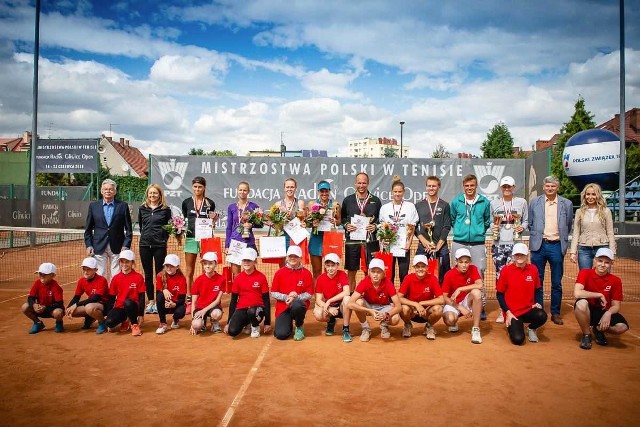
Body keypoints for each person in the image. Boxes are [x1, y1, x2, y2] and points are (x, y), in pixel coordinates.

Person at [528, 175, 573, 325]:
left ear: (557, 188)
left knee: (556, 282)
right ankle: (539, 310)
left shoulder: (566, 203)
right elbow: (531, 223)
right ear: (543, 187)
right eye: (548, 186)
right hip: (538, 246)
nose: (550, 188)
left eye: (553, 186)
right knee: (537, 281)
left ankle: (555, 312)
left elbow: (568, 224)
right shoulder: (535, 202)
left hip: (556, 245)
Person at [449, 174, 491, 320]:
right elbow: (453, 219)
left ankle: (481, 306)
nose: (469, 188)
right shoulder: (456, 201)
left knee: (479, 273)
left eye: (472, 185)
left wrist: (477, 232)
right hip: (459, 241)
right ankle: (457, 305)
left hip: (477, 243)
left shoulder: (484, 202)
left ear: (476, 185)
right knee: (457, 273)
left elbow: (487, 221)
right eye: (467, 186)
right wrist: (460, 231)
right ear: (463, 186)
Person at [490, 176, 529, 323]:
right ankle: (503, 311)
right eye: (504, 186)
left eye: (509, 186)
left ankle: (517, 309)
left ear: (514, 187)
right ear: (501, 187)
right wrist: (492, 227)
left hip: (516, 244)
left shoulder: (522, 202)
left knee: (515, 278)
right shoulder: (494, 203)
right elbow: (489, 221)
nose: (506, 189)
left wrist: (522, 227)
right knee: (500, 278)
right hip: (498, 244)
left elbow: (526, 220)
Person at [573, 248, 629, 350]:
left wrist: (608, 314)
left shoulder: (615, 280)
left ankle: (599, 329)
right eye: (600, 261)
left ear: (611, 263)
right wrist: (599, 295)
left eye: (607, 262)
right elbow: (577, 293)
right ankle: (586, 334)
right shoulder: (585, 273)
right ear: (595, 260)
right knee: (581, 304)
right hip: (588, 311)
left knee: (622, 327)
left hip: (604, 311)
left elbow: (616, 305)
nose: (603, 265)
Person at [496, 243, 547, 345]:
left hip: (528, 309)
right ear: (513, 256)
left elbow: (537, 289)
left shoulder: (533, 269)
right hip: (513, 313)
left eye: (522, 254)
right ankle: (515, 325)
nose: (519, 257)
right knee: (518, 339)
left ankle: (531, 328)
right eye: (517, 254)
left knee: (542, 315)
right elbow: (499, 294)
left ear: (527, 256)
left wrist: (537, 302)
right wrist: (507, 312)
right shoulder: (506, 270)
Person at [84, 178, 133, 282]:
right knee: (100, 274)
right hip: (98, 245)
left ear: (115, 191)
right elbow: (88, 229)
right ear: (101, 191)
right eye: (105, 189)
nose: (108, 191)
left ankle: (114, 297)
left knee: (115, 274)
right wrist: (89, 245)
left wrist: (126, 245)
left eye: (111, 189)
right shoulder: (93, 206)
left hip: (118, 246)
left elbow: (129, 229)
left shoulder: (123, 206)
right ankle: (101, 296)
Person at [341, 172, 382, 289]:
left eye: (364, 183)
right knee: (351, 271)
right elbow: (343, 218)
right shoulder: (348, 200)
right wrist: (346, 225)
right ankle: (350, 296)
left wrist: (375, 226)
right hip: (352, 241)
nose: (361, 185)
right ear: (355, 183)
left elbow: (381, 219)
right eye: (359, 183)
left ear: (368, 183)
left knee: (371, 270)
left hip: (370, 241)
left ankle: (370, 296)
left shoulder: (376, 201)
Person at [348, 258, 402, 342]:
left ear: (383, 273)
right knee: (359, 302)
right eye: (373, 271)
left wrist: (386, 314)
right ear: (369, 272)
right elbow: (350, 303)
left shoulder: (388, 283)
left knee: (395, 319)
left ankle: (384, 325)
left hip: (383, 307)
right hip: (368, 306)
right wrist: (369, 310)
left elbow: (399, 307)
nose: (375, 275)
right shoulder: (365, 281)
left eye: (378, 272)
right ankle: (366, 328)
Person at [182, 176, 219, 296]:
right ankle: (189, 296)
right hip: (191, 238)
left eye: (200, 187)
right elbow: (184, 219)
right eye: (195, 187)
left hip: (205, 239)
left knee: (207, 269)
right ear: (192, 187)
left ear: (204, 188)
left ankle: (205, 295)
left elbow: (211, 220)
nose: (197, 189)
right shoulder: (186, 202)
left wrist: (214, 221)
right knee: (189, 270)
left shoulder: (210, 203)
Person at [378, 177, 419, 285]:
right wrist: (383, 243)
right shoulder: (385, 208)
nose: (397, 194)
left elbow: (412, 227)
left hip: (403, 246)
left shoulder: (410, 207)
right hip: (389, 246)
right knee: (389, 274)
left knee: (403, 274)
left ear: (404, 192)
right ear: (391, 192)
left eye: (400, 191)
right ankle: (389, 298)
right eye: (395, 191)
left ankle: (403, 297)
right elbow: (382, 228)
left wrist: (409, 243)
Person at [138, 183, 172, 315]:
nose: (152, 195)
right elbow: (142, 226)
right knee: (147, 274)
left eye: (155, 193)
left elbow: (168, 228)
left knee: (159, 274)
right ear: (147, 194)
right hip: (144, 245)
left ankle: (159, 302)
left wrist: (162, 239)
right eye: (150, 193)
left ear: (160, 195)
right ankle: (151, 301)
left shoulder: (166, 209)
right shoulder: (142, 209)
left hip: (159, 246)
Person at [225, 248, 272, 338]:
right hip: (242, 308)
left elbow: (266, 300)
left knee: (252, 311)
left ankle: (255, 327)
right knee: (232, 332)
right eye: (244, 260)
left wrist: (267, 322)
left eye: (249, 260)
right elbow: (233, 301)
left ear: (255, 261)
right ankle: (247, 323)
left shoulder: (261, 277)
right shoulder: (238, 278)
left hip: (257, 309)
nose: (246, 262)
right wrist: (228, 322)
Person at [569, 183, 616, 271]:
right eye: (588, 194)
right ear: (584, 195)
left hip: (603, 247)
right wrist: (573, 252)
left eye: (593, 194)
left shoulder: (606, 211)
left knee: (604, 277)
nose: (590, 197)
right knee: (585, 277)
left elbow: (610, 232)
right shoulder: (579, 212)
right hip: (584, 249)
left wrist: (612, 252)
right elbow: (576, 233)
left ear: (598, 195)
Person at [271, 246, 313, 340]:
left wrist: (296, 298)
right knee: (281, 335)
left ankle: (299, 326)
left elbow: (309, 293)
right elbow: (273, 292)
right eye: (290, 256)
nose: (292, 258)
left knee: (297, 305)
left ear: (300, 258)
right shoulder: (279, 273)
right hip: (283, 306)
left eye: (295, 256)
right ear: (286, 258)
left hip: (298, 305)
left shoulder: (306, 273)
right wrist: (286, 297)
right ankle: (287, 325)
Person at [441, 248, 483, 344]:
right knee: (450, 320)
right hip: (453, 303)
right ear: (456, 262)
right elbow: (444, 297)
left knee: (477, 293)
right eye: (461, 262)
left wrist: (460, 289)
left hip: (466, 300)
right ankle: (454, 321)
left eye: (466, 262)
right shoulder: (449, 275)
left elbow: (480, 285)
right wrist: (460, 307)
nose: (464, 265)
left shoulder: (473, 269)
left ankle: (476, 329)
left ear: (470, 262)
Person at [398, 254, 444, 340]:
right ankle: (407, 324)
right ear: (414, 268)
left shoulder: (433, 278)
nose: (420, 269)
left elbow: (441, 299)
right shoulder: (408, 278)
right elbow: (399, 298)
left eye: (423, 266)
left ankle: (429, 326)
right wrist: (415, 304)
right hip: (412, 312)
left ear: (427, 267)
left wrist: (422, 303)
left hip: (426, 312)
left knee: (438, 309)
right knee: (403, 308)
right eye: (417, 267)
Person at [415, 175, 451, 284]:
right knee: (419, 273)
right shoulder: (418, 205)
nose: (431, 188)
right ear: (426, 187)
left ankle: (443, 299)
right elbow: (414, 227)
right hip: (423, 247)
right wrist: (425, 242)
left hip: (441, 247)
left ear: (438, 187)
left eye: (434, 186)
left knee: (444, 276)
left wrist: (437, 246)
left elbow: (446, 227)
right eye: (429, 186)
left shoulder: (445, 205)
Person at [225, 181, 262, 278]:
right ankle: (237, 292)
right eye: (240, 190)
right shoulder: (231, 207)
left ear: (248, 191)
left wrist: (251, 225)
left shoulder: (253, 206)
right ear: (237, 191)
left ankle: (250, 292)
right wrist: (227, 245)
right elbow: (229, 227)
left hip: (248, 241)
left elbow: (261, 224)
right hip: (235, 242)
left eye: (245, 190)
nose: (242, 192)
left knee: (251, 269)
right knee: (236, 273)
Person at [312, 253, 352, 343]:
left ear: (337, 265)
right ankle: (331, 321)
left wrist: (330, 300)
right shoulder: (320, 278)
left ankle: (346, 329)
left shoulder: (342, 274)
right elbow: (318, 299)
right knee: (318, 314)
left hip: (341, 306)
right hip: (329, 306)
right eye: (328, 265)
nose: (330, 268)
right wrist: (329, 308)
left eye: (333, 265)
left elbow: (347, 292)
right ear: (325, 266)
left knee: (347, 299)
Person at [105, 250, 145, 336]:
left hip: (133, 306)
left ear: (132, 263)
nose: (124, 264)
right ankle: (125, 320)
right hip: (120, 307)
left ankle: (134, 325)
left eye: (127, 262)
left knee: (128, 302)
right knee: (109, 322)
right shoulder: (115, 278)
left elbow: (142, 297)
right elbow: (111, 298)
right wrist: (108, 315)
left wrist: (141, 314)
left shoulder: (138, 277)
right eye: (122, 262)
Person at [64, 257, 109, 334]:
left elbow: (95, 298)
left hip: (104, 305)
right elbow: (76, 297)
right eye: (84, 269)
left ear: (95, 270)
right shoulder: (81, 281)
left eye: (88, 269)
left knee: (89, 307)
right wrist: (69, 308)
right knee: (71, 310)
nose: (85, 272)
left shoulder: (102, 280)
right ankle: (91, 317)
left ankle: (102, 323)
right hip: (91, 304)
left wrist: (76, 304)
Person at [307, 180, 341, 281]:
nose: (324, 193)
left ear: (329, 191)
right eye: (322, 191)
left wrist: (334, 220)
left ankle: (329, 295)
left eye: (326, 191)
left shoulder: (335, 204)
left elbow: (339, 221)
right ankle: (317, 296)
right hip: (316, 239)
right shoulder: (312, 204)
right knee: (316, 270)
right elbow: (307, 222)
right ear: (318, 192)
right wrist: (313, 222)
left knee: (330, 270)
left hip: (329, 239)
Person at [21, 262, 64, 334]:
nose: (42, 276)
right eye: (40, 274)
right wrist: (34, 305)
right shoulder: (37, 283)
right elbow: (30, 298)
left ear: (52, 275)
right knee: (25, 307)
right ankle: (38, 323)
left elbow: (59, 303)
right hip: (39, 309)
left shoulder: (56, 287)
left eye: (45, 274)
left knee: (58, 313)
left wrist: (45, 307)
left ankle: (59, 322)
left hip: (51, 310)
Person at [274, 177, 307, 267]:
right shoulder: (277, 204)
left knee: (296, 264)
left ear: (296, 188)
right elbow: (274, 224)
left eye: (292, 187)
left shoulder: (300, 203)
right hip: (283, 237)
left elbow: (304, 220)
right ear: (284, 188)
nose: (290, 189)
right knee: (282, 265)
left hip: (296, 237)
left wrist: (304, 223)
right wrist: (280, 222)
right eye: (287, 187)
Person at [189, 252, 225, 335]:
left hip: (213, 307)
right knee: (196, 325)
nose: (207, 266)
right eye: (205, 264)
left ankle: (214, 322)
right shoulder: (198, 280)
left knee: (217, 314)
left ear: (215, 264)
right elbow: (193, 303)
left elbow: (217, 300)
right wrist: (193, 321)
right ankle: (202, 324)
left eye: (210, 263)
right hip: (200, 308)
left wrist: (204, 310)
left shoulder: (221, 279)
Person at [155, 254, 188, 334]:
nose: (169, 268)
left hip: (176, 304)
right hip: (165, 305)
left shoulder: (181, 279)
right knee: (160, 296)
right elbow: (158, 297)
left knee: (181, 311)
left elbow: (182, 299)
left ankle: (176, 318)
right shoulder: (160, 276)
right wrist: (164, 289)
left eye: (172, 266)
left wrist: (174, 304)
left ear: (177, 267)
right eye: (167, 266)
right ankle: (163, 323)